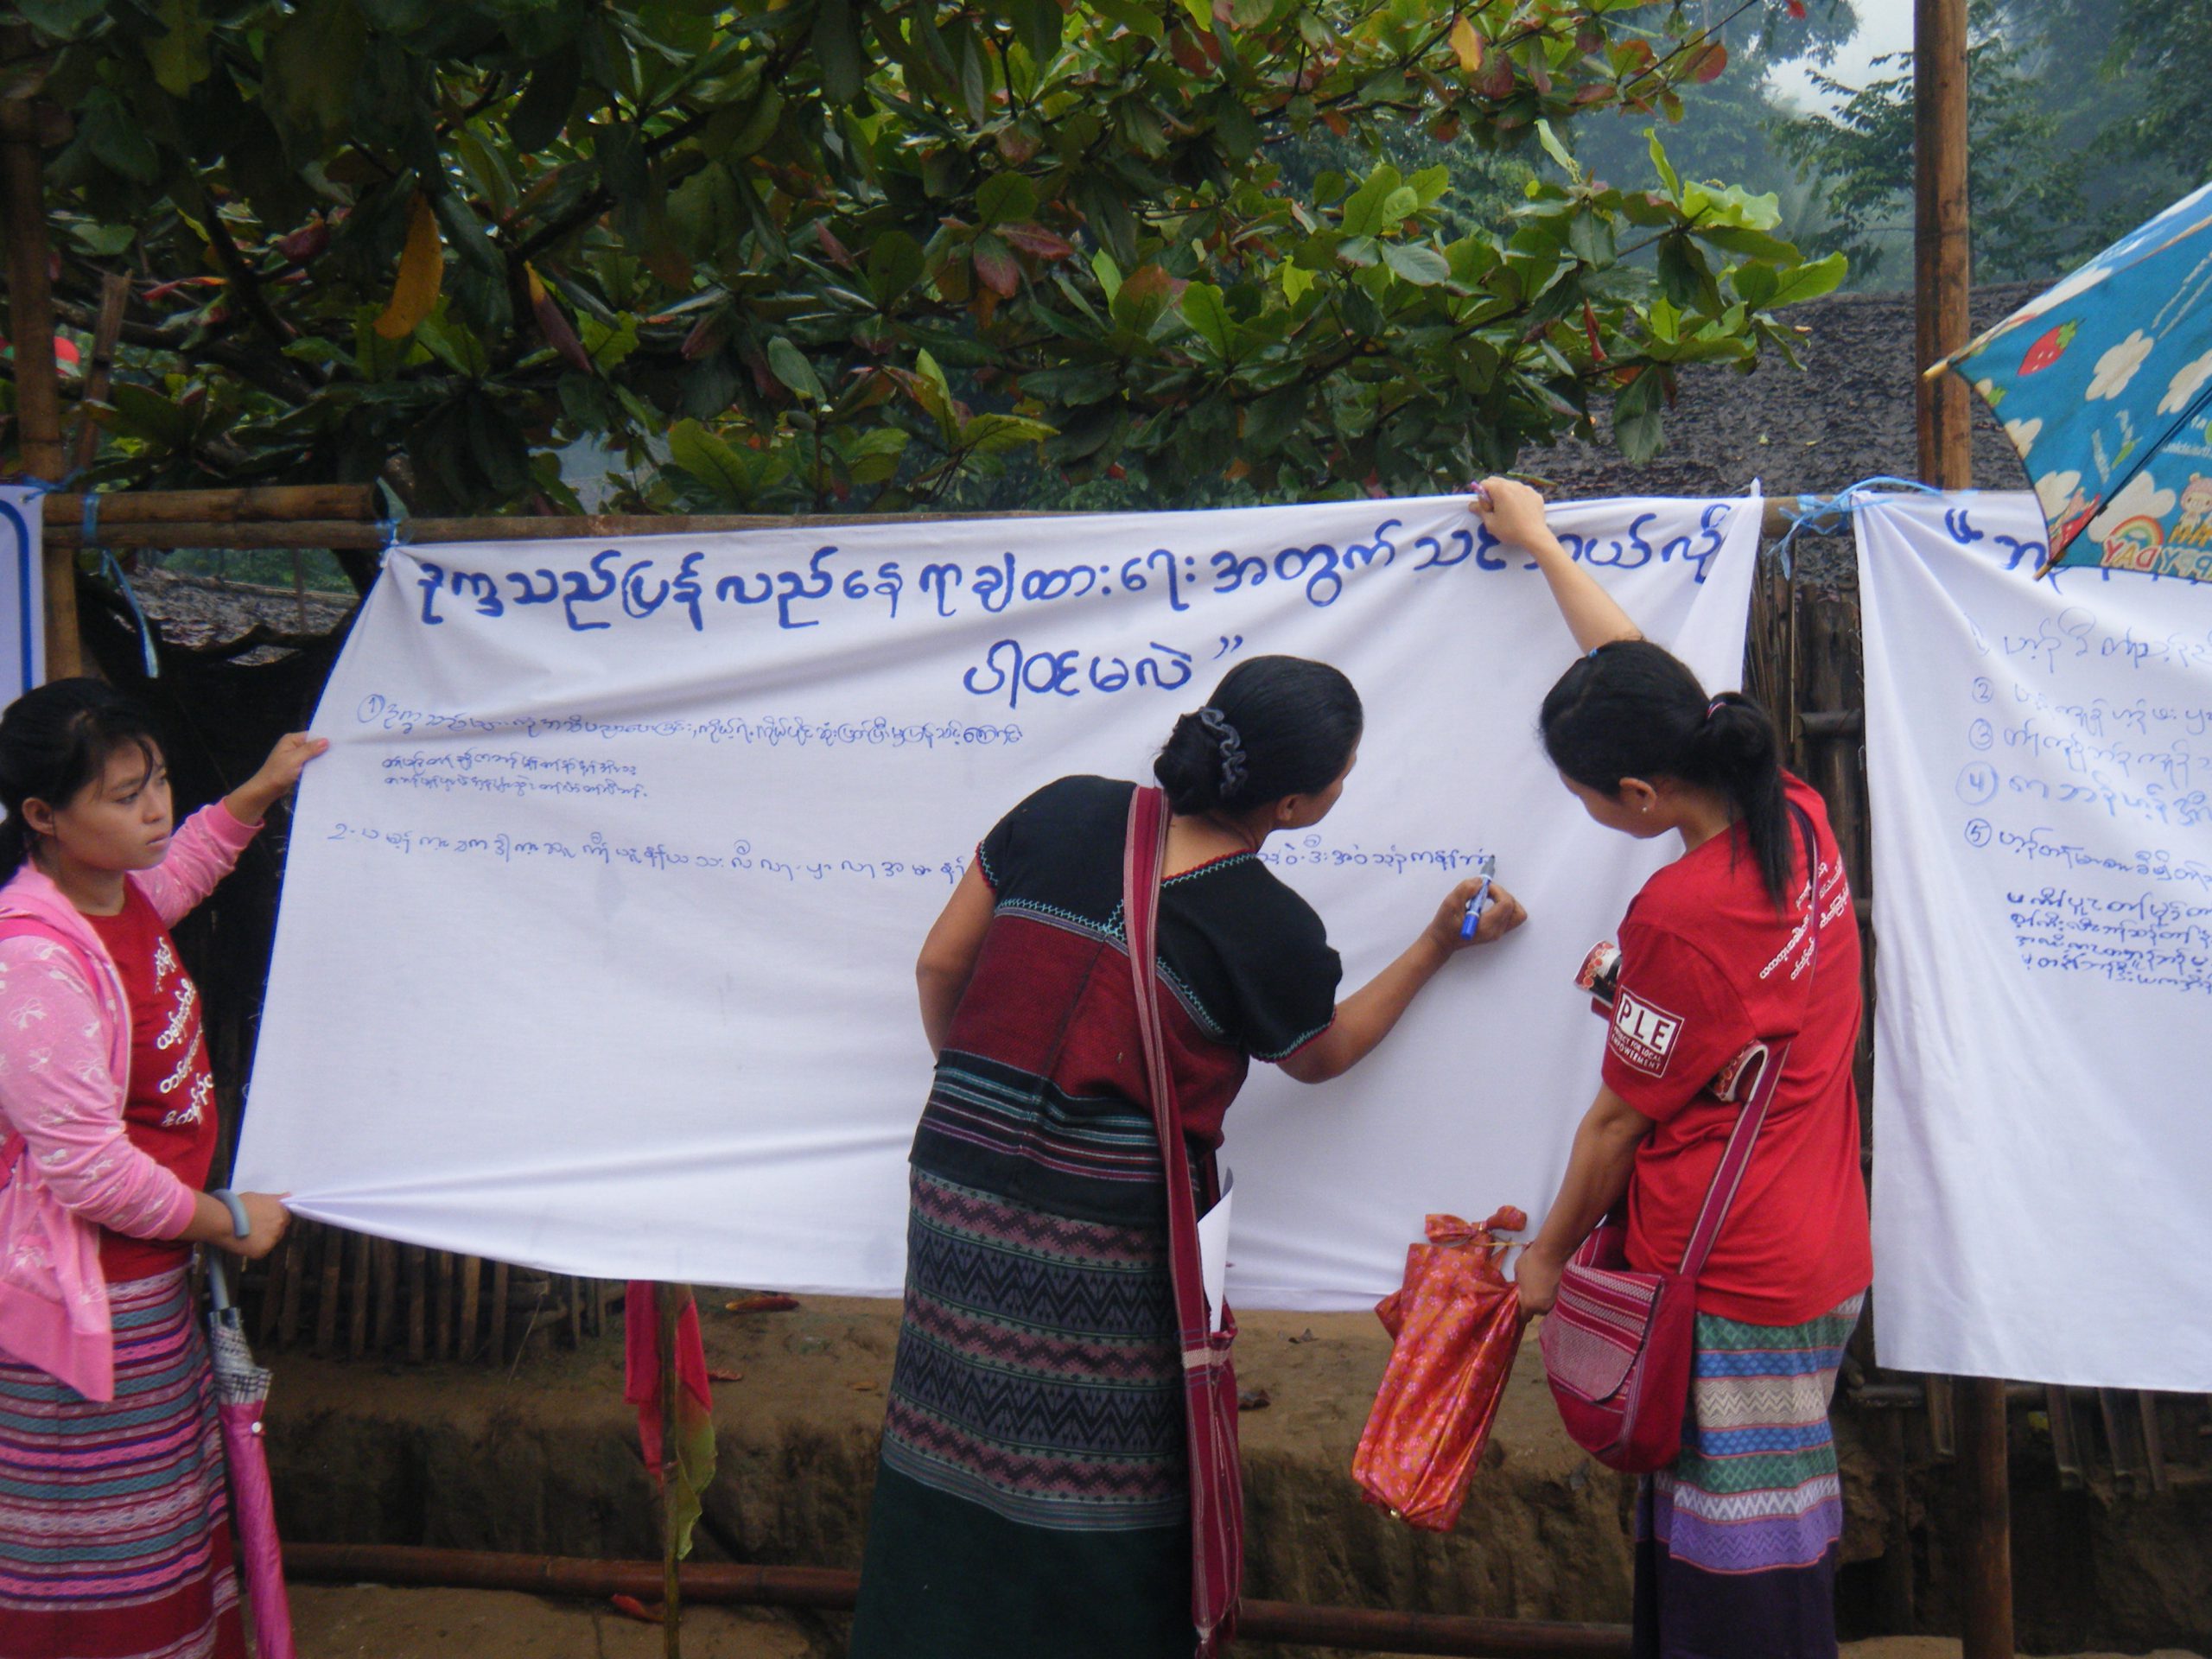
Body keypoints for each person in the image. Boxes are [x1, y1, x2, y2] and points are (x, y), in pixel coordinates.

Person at [847, 654, 1525, 1658]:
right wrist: (1436, 941)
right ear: (1293, 805)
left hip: (957, 1184)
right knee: (1094, 1472)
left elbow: (939, 964)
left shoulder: (1059, 810)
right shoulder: (1269, 928)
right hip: (1105, 1238)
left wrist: (990, 1096)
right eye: (1342, 774)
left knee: (948, 1430)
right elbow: (1321, 1054)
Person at [1471, 479, 1872, 1659]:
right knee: (1744, 1535)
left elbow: (1614, 1125)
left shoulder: (1684, 916)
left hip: (1731, 1276)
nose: (1584, 808)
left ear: (1640, 795)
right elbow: (1644, 671)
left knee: (1738, 1573)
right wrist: (1542, 547)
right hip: (1812, 1244)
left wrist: (1545, 1260)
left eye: (1584, 795)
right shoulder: (1789, 810)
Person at [0, 678, 324, 1659]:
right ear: (43, 816)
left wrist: (260, 789)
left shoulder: (117, 897)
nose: (156, 810)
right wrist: (229, 1220)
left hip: (147, 1284)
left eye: (160, 781)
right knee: (98, 1549)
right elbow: (91, 1173)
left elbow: (183, 866)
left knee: (160, 1521)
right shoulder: (34, 963)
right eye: (125, 794)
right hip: (84, 1303)